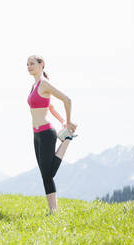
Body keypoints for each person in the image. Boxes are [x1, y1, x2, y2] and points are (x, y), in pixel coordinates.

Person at [27, 55, 78, 214]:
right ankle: (53, 211)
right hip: (36, 134)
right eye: (27, 64)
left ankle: (67, 139)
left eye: (32, 63)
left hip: (47, 133)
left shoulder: (44, 84)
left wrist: (68, 122)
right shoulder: (34, 86)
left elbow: (67, 100)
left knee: (48, 173)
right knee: (45, 175)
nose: (29, 66)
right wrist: (62, 119)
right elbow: (51, 107)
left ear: (42, 65)